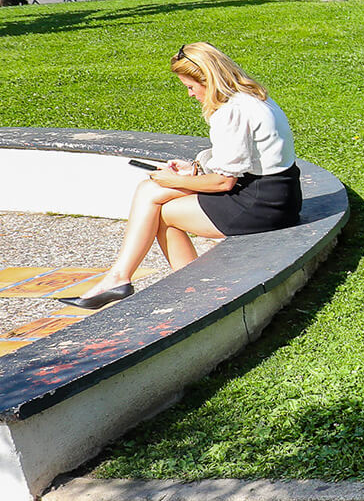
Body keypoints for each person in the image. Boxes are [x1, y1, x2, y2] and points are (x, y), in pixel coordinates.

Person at [67, 43, 302, 310]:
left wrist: (174, 181)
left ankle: (194, 291)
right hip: (276, 193)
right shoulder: (249, 98)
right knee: (149, 190)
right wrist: (194, 169)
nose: (190, 94)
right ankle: (118, 278)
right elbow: (244, 158)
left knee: (164, 213)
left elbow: (225, 182)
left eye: (191, 87)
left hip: (261, 203)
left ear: (208, 80)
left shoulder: (230, 112)